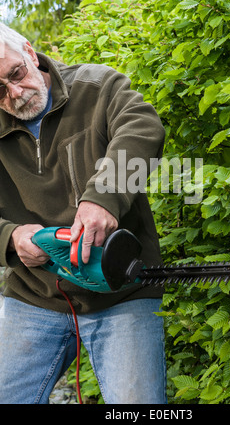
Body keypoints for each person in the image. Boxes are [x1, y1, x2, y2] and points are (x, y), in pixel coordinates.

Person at [0, 22, 166, 404]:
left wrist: (104, 197)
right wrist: (10, 236)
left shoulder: (97, 86)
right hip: (35, 294)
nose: (15, 93)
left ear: (29, 50)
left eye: (16, 74)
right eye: (0, 91)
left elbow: (143, 126)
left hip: (122, 289)